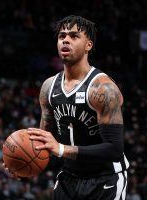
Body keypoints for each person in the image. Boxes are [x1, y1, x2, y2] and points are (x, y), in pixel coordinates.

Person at [27, 15, 129, 199]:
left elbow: (114, 149)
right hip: (69, 177)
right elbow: (45, 142)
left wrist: (61, 149)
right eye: (61, 36)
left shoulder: (103, 88)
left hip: (105, 179)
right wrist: (23, 163)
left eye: (74, 36)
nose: (65, 39)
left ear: (88, 45)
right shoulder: (48, 88)